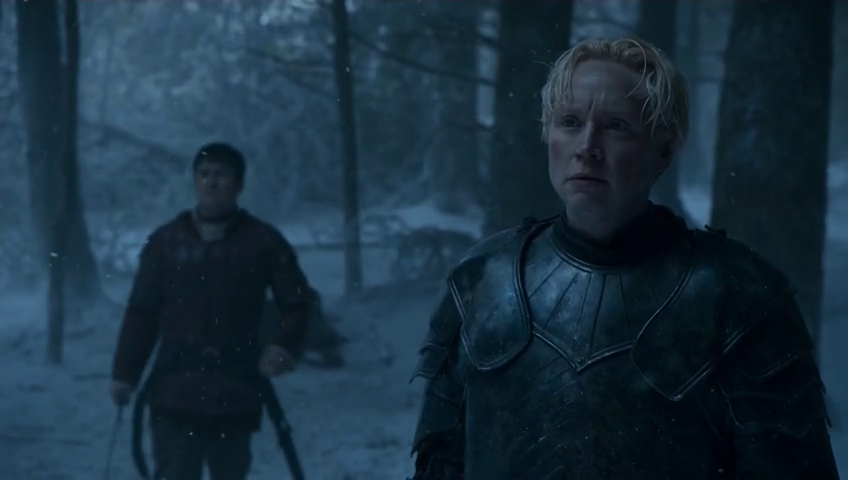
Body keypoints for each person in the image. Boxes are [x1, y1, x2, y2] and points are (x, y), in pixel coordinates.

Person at [409, 37, 839, 479]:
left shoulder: (738, 294)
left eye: (615, 126)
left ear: (663, 150)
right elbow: (440, 466)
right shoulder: (484, 280)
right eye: (570, 122)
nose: (586, 147)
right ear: (548, 135)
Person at [110, 143, 315, 480]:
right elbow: (142, 313)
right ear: (194, 181)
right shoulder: (166, 242)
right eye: (204, 174)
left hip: (235, 388)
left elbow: (298, 303)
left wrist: (283, 345)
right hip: (174, 389)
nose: (211, 182)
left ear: (238, 184)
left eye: (221, 175)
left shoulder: (262, 241)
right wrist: (125, 373)